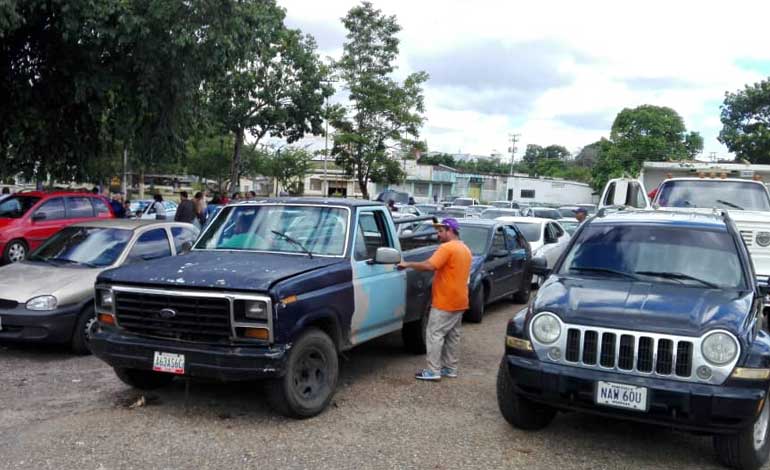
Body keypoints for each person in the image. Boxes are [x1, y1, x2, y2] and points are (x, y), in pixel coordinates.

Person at [397, 218, 472, 381]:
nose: (438, 235)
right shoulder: (465, 248)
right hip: (460, 300)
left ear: (450, 230)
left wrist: (407, 264)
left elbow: (430, 265)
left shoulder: (447, 248)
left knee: (434, 334)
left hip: (445, 300)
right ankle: (450, 368)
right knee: (452, 335)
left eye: (440, 231)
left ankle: (433, 371)